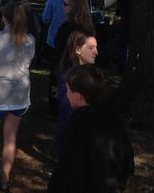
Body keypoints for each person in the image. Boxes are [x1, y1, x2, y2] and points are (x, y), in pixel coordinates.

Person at [47, 65, 134, 193]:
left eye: (68, 90)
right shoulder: (112, 119)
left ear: (78, 96)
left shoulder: (77, 124)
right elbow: (127, 158)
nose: (66, 94)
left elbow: (69, 168)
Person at [0, 2, 36, 191]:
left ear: (4, 18)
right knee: (10, 138)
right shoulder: (30, 40)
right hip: (19, 95)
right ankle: (4, 180)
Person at [54, 29, 98, 160]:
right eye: (91, 48)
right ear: (78, 50)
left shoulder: (87, 73)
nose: (96, 52)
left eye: (96, 47)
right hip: (72, 137)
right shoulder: (70, 77)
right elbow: (67, 108)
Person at [53, 0, 94, 66]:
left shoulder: (67, 29)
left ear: (74, 7)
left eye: (65, 4)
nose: (63, 7)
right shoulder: (89, 28)